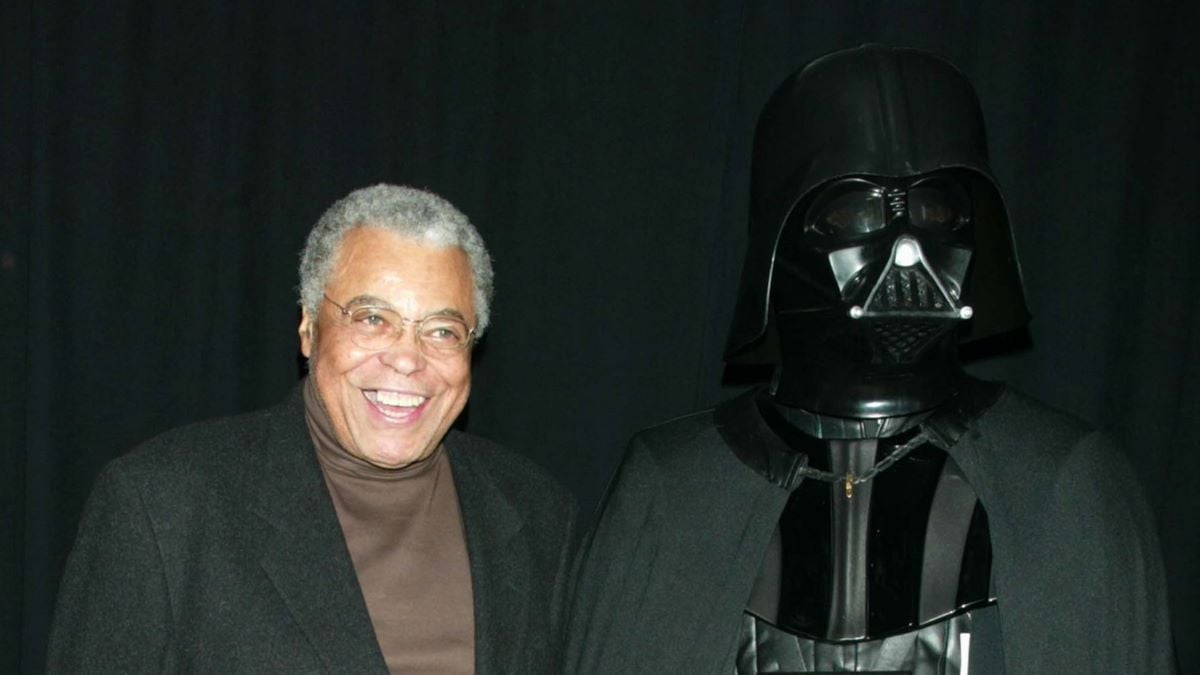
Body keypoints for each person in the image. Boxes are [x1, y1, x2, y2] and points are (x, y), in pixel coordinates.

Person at [566, 45, 1174, 673]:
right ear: (781, 243)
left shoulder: (1060, 483)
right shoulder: (676, 488)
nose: (906, 251)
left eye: (937, 209)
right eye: (856, 209)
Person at [48, 184, 577, 673]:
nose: (407, 359)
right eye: (373, 318)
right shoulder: (163, 505)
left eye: (442, 330)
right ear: (308, 327)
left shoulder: (537, 514)